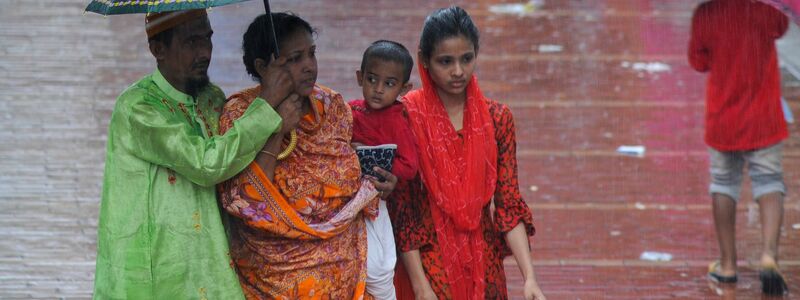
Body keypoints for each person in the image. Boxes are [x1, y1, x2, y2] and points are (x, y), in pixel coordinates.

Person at [93, 9, 295, 299]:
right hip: (155, 271)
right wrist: (267, 104)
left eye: (208, 39)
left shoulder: (210, 97)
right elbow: (206, 164)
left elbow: (236, 164)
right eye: (191, 42)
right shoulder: (138, 107)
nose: (204, 52)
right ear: (157, 49)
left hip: (209, 262)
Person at [217, 12, 397, 299]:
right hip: (276, 272)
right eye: (293, 59)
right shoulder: (240, 114)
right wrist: (276, 129)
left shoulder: (331, 106)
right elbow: (247, 203)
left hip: (345, 261)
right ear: (263, 67)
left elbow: (348, 175)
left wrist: (378, 184)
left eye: (311, 54)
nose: (309, 67)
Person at [392, 6, 545, 300]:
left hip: (484, 264)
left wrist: (530, 278)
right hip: (429, 263)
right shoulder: (407, 117)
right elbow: (405, 211)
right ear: (424, 60)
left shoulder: (497, 118)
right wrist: (421, 287)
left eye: (467, 58)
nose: (458, 71)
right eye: (445, 61)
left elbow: (508, 204)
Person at [689, 0, 790, 295]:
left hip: (724, 119)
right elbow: (782, 27)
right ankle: (770, 254)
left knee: (724, 184)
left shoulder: (706, 14)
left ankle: (728, 265)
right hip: (764, 116)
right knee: (769, 181)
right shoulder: (766, 10)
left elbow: (699, 61)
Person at [350, 40, 419, 300]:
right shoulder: (351, 110)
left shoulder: (397, 119)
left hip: (379, 203)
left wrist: (388, 172)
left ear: (404, 88)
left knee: (379, 267)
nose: (378, 90)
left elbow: (410, 165)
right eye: (372, 79)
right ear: (360, 77)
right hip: (348, 199)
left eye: (389, 84)